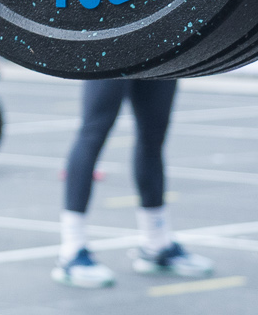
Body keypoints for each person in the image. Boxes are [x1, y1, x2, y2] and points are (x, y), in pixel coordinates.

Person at [52, 81, 215, 286]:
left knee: (153, 138)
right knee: (93, 131)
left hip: (156, 52)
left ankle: (156, 244)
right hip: (110, 50)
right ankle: (71, 250)